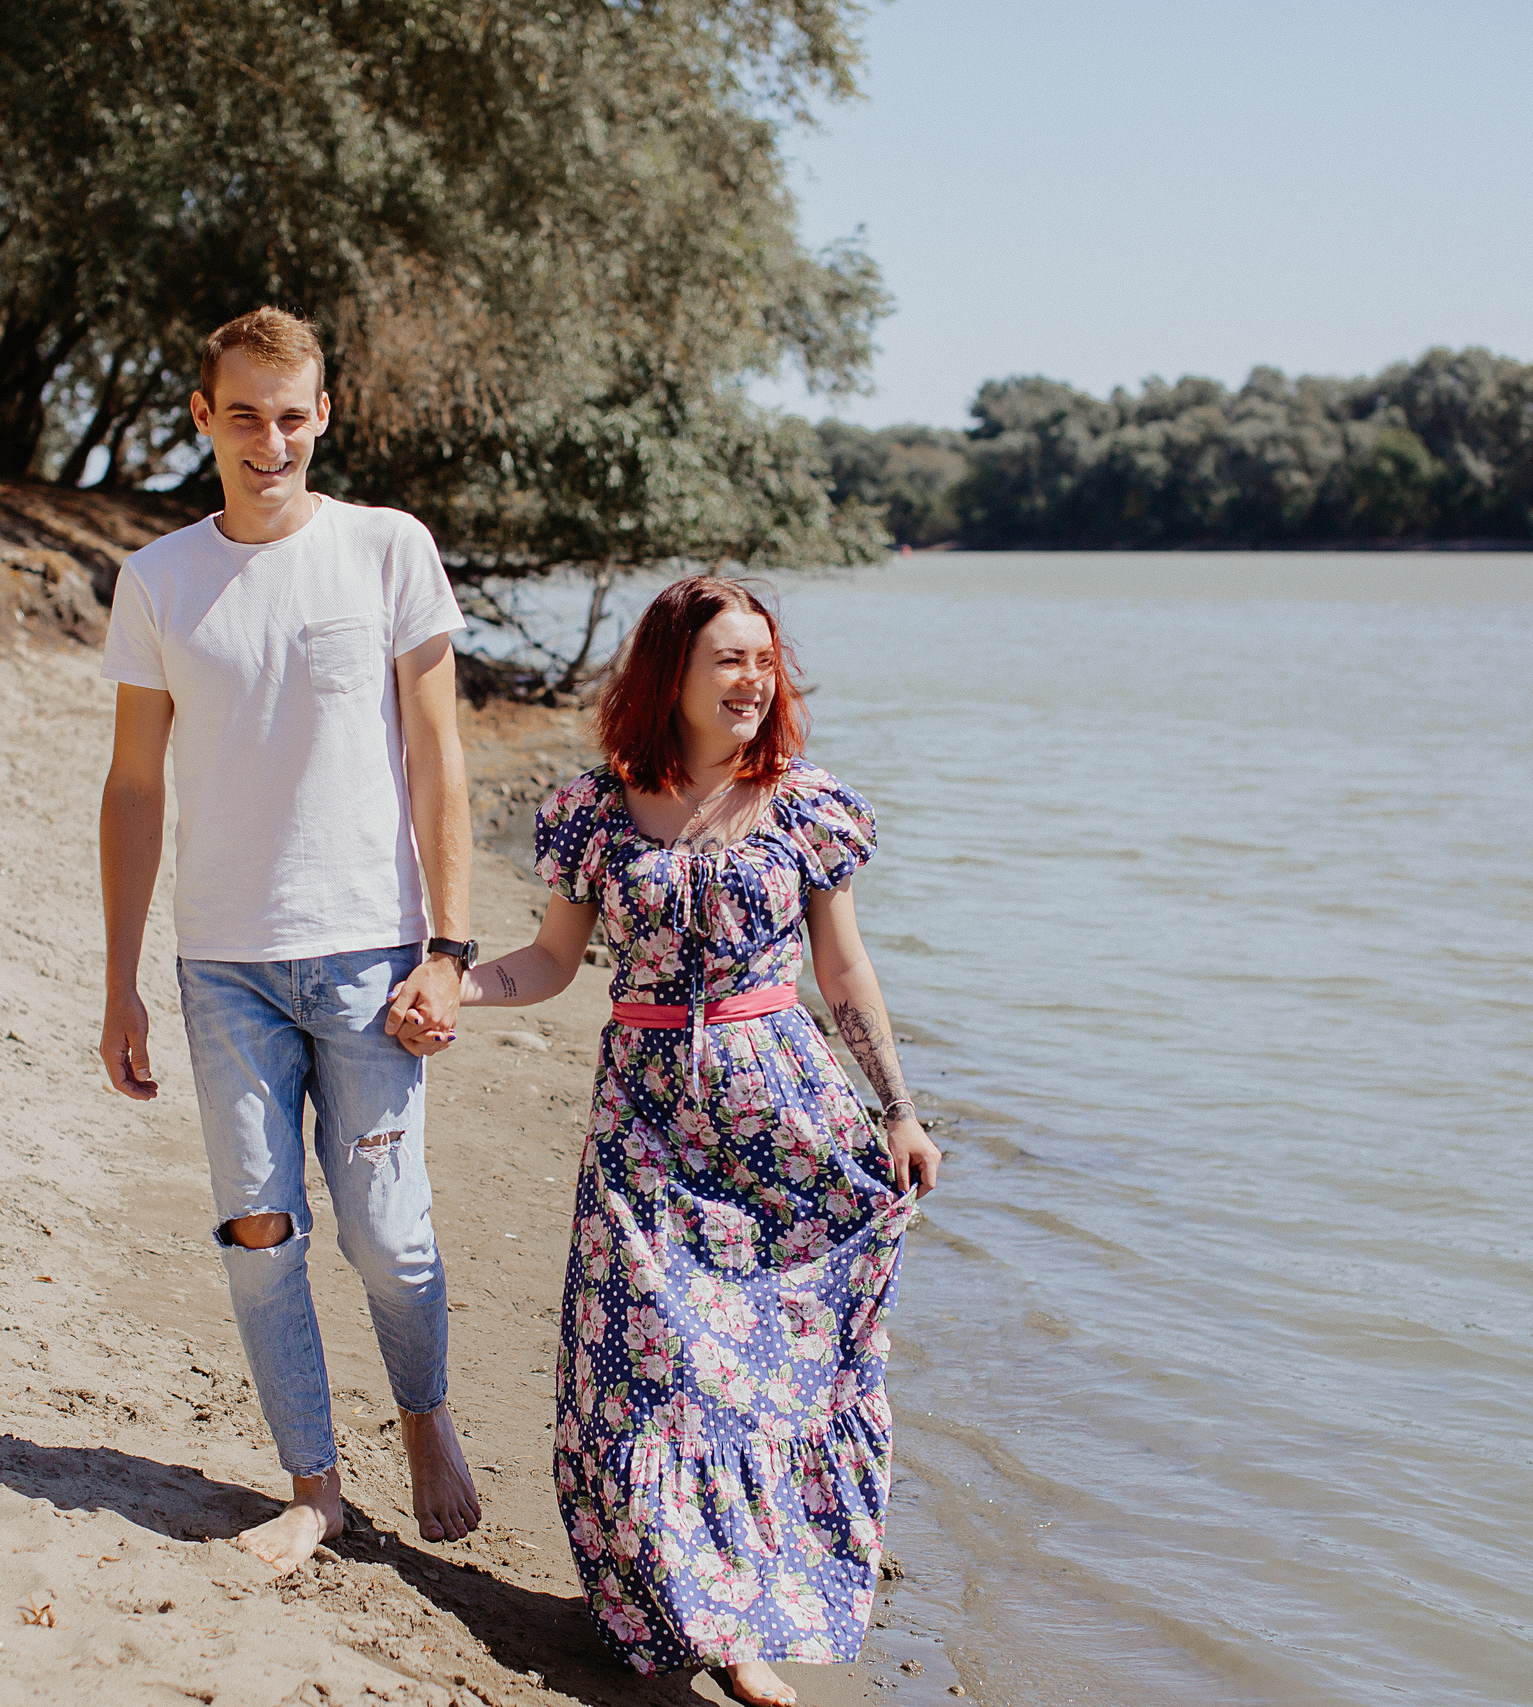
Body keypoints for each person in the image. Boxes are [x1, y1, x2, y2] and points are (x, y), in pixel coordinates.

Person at [390, 576, 942, 1707]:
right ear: (671, 677)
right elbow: (548, 966)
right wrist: (452, 990)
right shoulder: (597, 809)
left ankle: (741, 1622)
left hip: (783, 1119)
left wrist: (896, 1107)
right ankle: (664, 1598)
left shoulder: (803, 805)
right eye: (726, 660)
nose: (751, 681)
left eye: (762, 659)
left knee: (763, 1377)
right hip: (646, 1124)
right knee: (648, 1364)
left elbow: (841, 970)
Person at [95, 306, 482, 1571]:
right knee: (259, 1225)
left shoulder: (387, 551)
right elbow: (135, 788)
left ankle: (423, 1418)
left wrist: (450, 948)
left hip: (374, 954)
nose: (272, 441)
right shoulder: (157, 578)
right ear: (203, 417)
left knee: (385, 1232)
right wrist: (121, 983)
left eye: (294, 415)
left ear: (325, 415)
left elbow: (438, 759)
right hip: (225, 963)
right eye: (246, 415)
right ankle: (314, 1487)